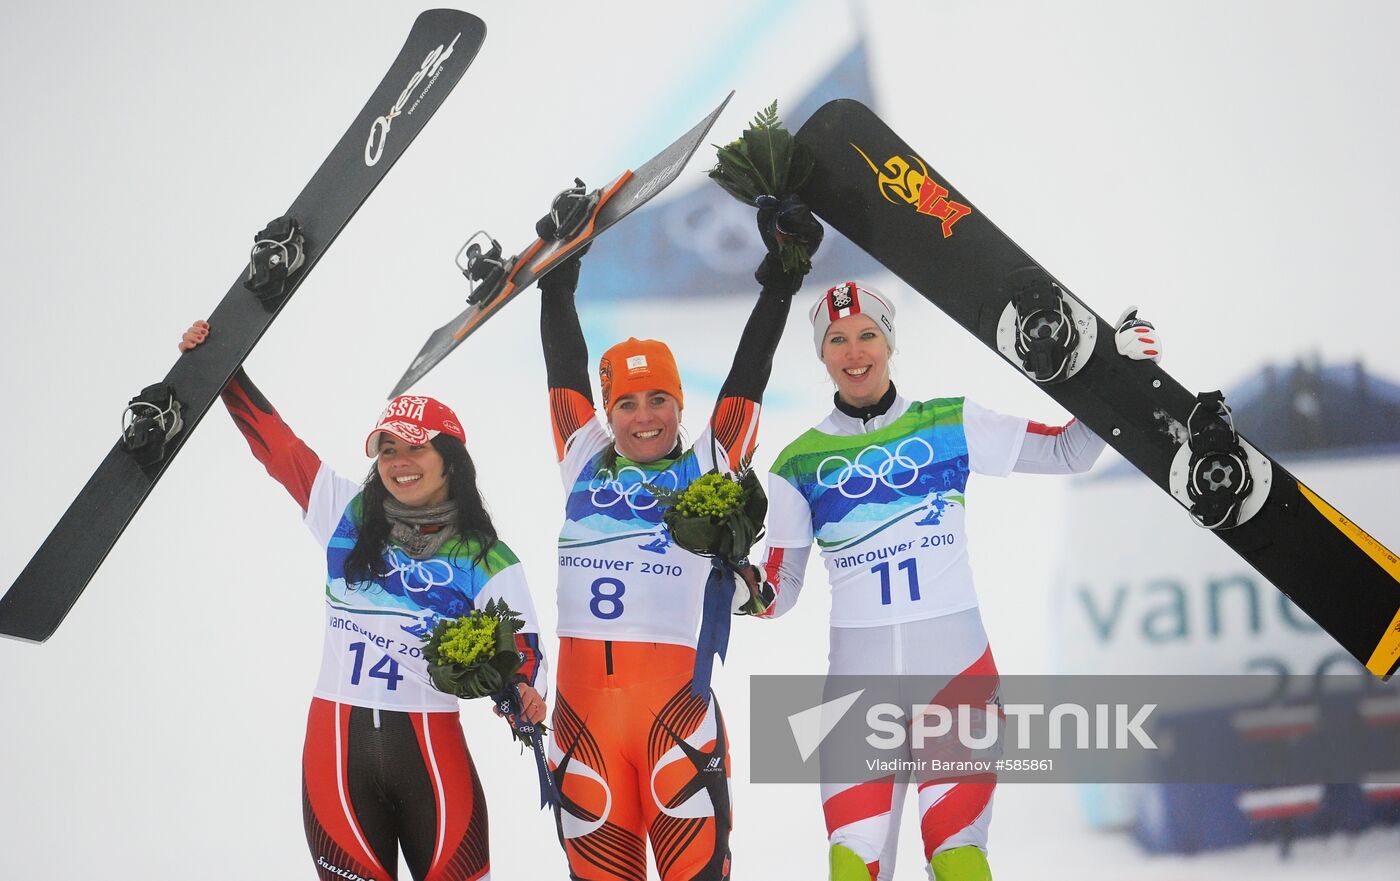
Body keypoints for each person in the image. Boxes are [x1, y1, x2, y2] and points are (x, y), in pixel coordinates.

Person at [748, 283, 1162, 881]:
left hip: (957, 678)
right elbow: (776, 594)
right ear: (822, 354)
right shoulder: (797, 462)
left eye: (867, 334)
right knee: (851, 864)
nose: (854, 351)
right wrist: (728, 572)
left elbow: (1069, 452)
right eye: (837, 339)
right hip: (855, 696)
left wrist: (1115, 377)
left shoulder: (950, 421)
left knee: (957, 856)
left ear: (889, 342)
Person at [179, 321, 549, 881]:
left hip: (431, 753)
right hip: (335, 752)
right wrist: (220, 365)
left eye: (416, 448)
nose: (400, 462)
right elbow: (278, 448)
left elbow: (525, 659)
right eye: (387, 450)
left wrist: (517, 694)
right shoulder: (345, 513)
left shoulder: (490, 560)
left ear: (450, 458)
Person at [536, 200, 822, 880]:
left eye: (658, 399)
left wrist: (781, 277)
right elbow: (563, 368)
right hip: (584, 730)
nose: (644, 417)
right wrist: (559, 275)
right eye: (628, 403)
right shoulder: (583, 456)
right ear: (609, 412)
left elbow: (748, 376)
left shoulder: (710, 464)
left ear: (678, 404)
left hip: (676, 726)